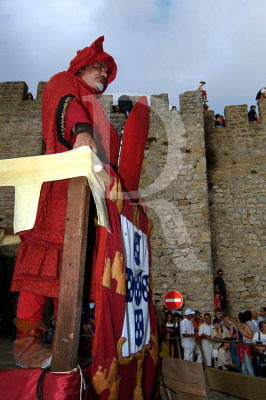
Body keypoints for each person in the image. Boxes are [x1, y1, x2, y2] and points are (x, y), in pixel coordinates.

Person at [11, 36, 120, 369]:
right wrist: (81, 130)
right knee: (46, 255)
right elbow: (65, 104)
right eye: (99, 66)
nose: (104, 74)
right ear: (83, 65)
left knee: (75, 266)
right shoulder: (64, 81)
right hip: (59, 184)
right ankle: (26, 342)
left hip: (89, 194)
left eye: (107, 70)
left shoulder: (97, 105)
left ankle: (67, 341)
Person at [238, 312, 255, 376]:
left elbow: (251, 336)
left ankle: (252, 381)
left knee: (249, 366)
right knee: (243, 367)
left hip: (247, 347)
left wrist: (243, 333)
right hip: (242, 347)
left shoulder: (246, 326)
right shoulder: (242, 326)